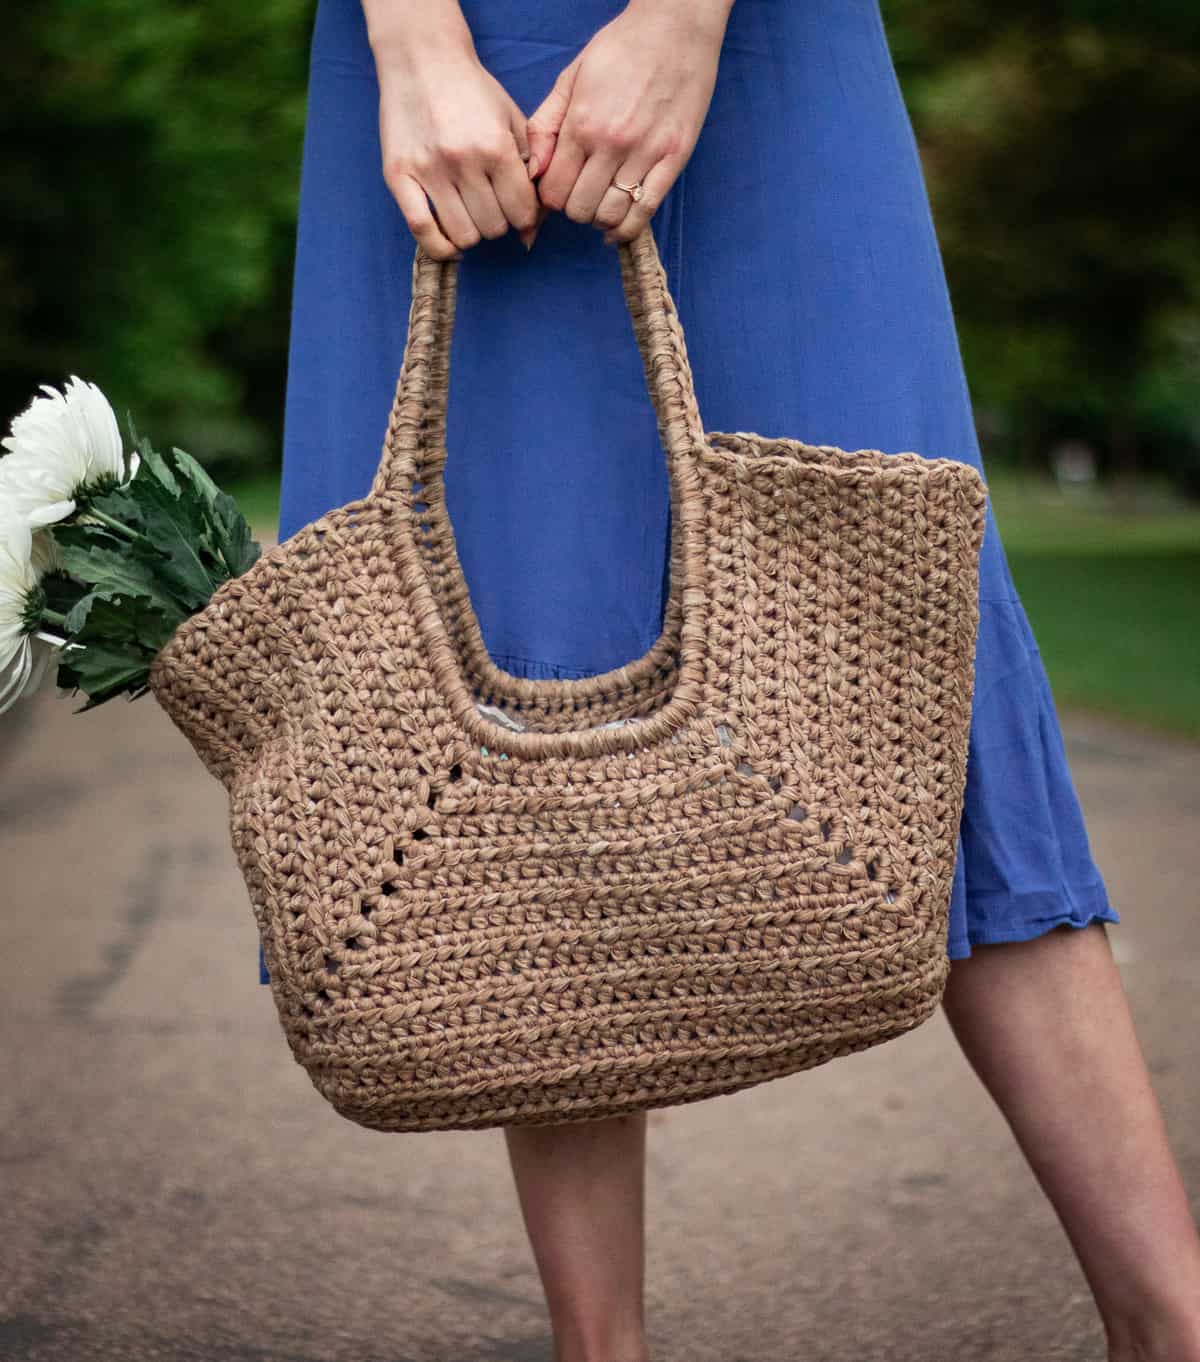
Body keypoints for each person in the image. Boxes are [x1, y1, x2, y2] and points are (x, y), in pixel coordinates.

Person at [270, 0, 1200, 1356]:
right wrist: (412, 43)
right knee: (519, 642)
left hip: (765, 45)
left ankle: (1170, 1320)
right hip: (445, 53)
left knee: (906, 622)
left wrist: (682, 20)